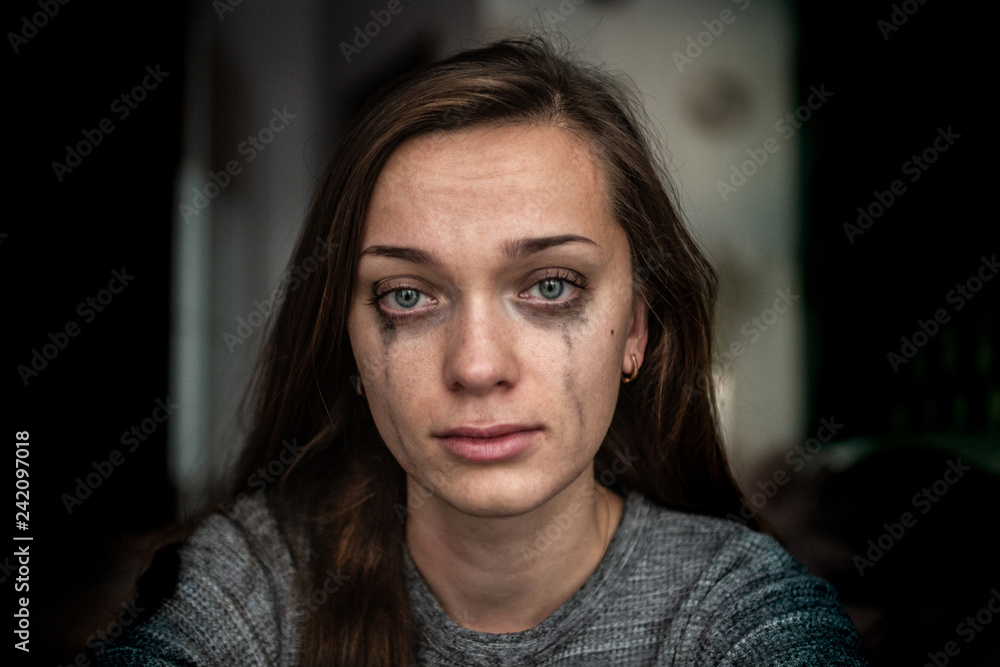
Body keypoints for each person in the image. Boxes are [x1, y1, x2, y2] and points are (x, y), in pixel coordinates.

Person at [95, 37, 868, 666]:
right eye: (407, 295)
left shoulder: (731, 609)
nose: (475, 365)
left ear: (636, 330)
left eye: (552, 286)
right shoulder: (260, 578)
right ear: (353, 348)